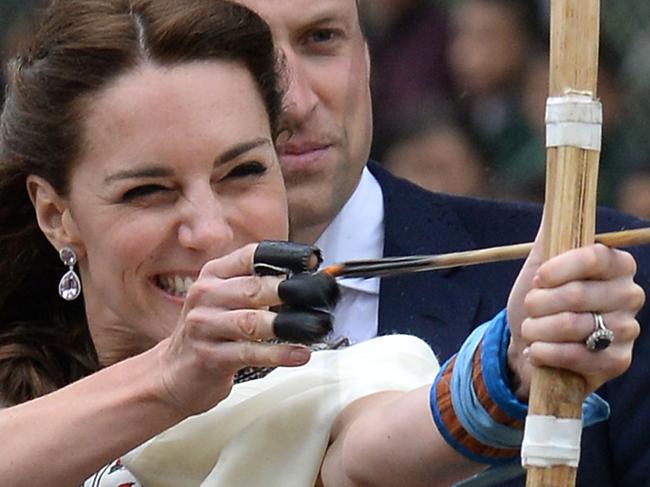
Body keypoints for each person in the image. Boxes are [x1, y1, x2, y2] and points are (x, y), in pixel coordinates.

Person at [0, 1, 643, 486]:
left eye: (243, 172)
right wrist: (169, 381)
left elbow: (388, 435)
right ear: (56, 214)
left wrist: (511, 357)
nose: (211, 230)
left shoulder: (325, 382)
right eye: (148, 191)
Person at [233, 1, 650, 485]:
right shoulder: (132, 313)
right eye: (245, 51)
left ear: (366, 56)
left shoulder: (606, 275)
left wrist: (507, 372)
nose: (296, 101)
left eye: (322, 38)